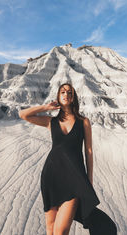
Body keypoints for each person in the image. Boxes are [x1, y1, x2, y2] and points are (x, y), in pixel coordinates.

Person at [19, 83, 117, 235]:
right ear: (58, 96)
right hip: (51, 177)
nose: (66, 94)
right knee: (50, 230)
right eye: (62, 92)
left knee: (61, 231)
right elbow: (23, 115)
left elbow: (89, 152)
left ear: (73, 98)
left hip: (74, 180)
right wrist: (46, 107)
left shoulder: (83, 121)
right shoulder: (51, 122)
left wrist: (88, 180)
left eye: (69, 93)